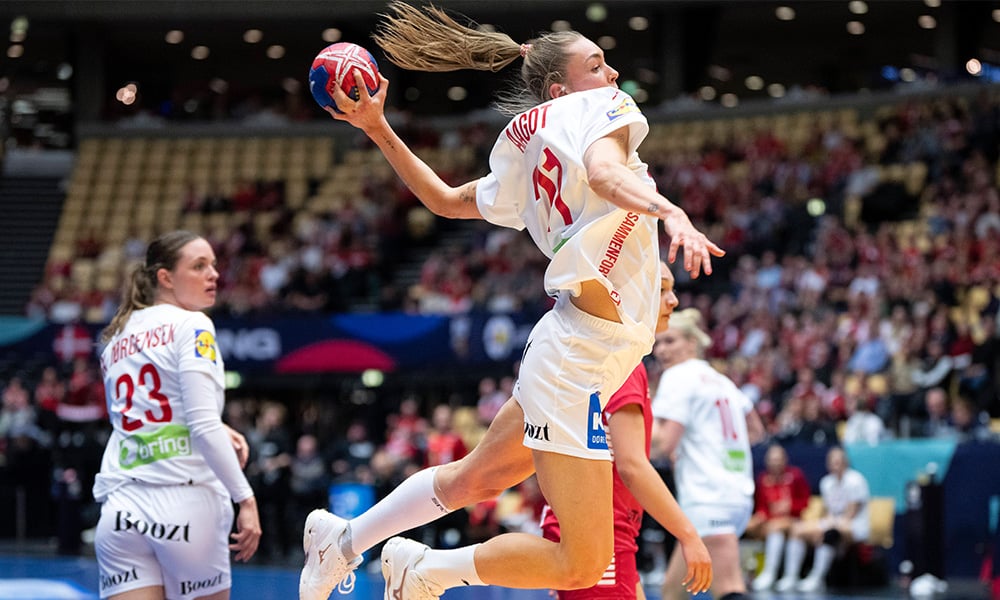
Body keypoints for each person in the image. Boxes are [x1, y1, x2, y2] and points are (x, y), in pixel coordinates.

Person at [299, 4, 723, 599]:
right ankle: (426, 569)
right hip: (580, 359)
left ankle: (342, 542)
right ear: (562, 87)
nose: (613, 74)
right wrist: (672, 211)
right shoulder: (602, 108)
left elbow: (446, 200)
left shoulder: (531, 144)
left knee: (475, 478)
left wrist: (377, 128)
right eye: (598, 65)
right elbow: (604, 176)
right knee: (581, 563)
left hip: (572, 341)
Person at [93, 230, 261, 599]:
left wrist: (218, 426)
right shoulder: (193, 324)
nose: (213, 274)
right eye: (199, 266)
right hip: (185, 504)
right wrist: (245, 499)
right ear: (165, 278)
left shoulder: (114, 338)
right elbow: (200, 425)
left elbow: (148, 416)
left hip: (121, 508)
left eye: (214, 265)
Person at [541, 262, 712, 600]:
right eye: (662, 289)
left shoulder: (586, 353)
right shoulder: (620, 361)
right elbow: (632, 466)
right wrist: (689, 535)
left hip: (591, 527)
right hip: (602, 531)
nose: (674, 300)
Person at [651, 308, 764, 600]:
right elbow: (756, 431)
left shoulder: (678, 376)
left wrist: (621, 430)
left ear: (692, 343)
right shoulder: (722, 381)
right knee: (673, 591)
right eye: (657, 344)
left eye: (669, 341)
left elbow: (664, 444)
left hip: (709, 496)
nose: (661, 351)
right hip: (735, 495)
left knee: (729, 589)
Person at [774, 446, 870, 593]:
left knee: (829, 533)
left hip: (855, 525)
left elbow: (850, 514)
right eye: (832, 462)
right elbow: (828, 511)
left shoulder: (855, 480)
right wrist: (821, 525)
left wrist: (826, 526)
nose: (835, 465)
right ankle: (791, 576)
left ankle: (817, 577)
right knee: (797, 529)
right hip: (832, 521)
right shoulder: (826, 482)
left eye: (838, 462)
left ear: (845, 462)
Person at [746, 444, 812, 592]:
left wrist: (790, 507)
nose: (775, 463)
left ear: (785, 460)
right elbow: (761, 505)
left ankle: (787, 575)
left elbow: (805, 502)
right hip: (771, 522)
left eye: (778, 459)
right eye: (772, 459)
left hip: (792, 521)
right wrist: (761, 516)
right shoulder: (763, 479)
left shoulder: (796, 475)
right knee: (752, 527)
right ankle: (758, 572)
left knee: (779, 529)